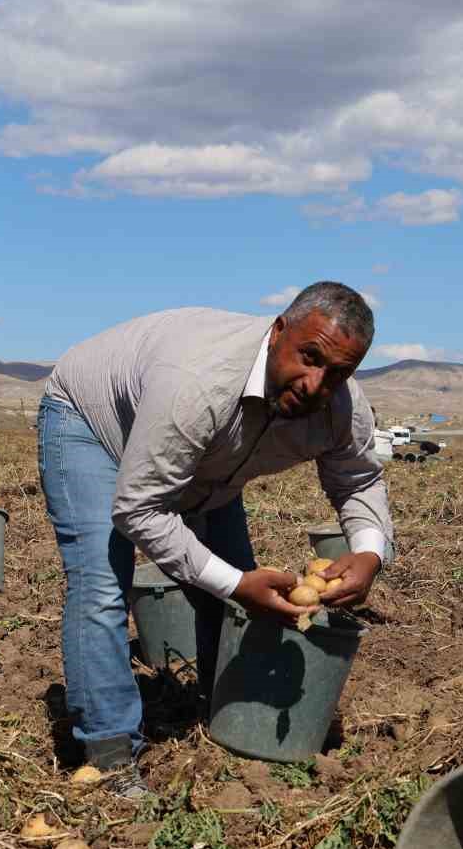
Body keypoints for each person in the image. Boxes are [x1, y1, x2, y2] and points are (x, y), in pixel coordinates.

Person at [38, 282, 393, 797]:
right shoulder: (198, 382)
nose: (317, 383)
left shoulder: (339, 406)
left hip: (206, 465)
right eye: (309, 357)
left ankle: (228, 718)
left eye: (337, 373)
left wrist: (367, 551)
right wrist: (234, 582)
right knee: (101, 581)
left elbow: (357, 479)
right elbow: (140, 508)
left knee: (231, 594)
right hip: (93, 424)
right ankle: (109, 751)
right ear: (277, 334)